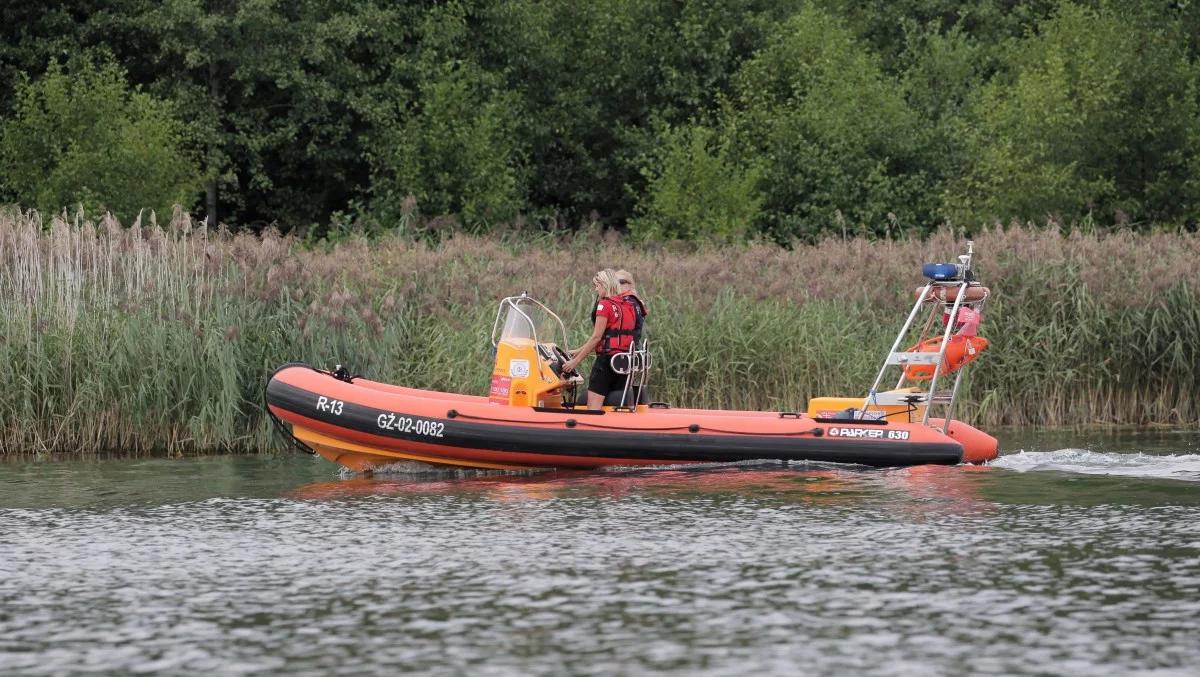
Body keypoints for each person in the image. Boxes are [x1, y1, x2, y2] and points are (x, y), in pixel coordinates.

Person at [560, 269, 638, 409]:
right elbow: (609, 338)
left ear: (604, 285)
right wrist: (578, 351)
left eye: (597, 286)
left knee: (593, 408)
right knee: (614, 408)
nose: (596, 289)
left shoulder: (604, 305)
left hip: (605, 363)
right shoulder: (627, 305)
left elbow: (597, 337)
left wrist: (574, 362)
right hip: (623, 363)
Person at [615, 269, 648, 345]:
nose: (617, 285)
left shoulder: (629, 302)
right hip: (631, 347)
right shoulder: (635, 301)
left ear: (630, 284)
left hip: (626, 349)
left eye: (621, 282)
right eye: (614, 282)